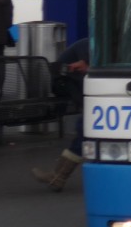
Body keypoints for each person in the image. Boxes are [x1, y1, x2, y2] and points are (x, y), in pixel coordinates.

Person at [31, 36, 89, 192]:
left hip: (74, 84)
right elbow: (83, 68)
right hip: (69, 83)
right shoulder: (88, 46)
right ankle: (58, 176)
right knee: (84, 127)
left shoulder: (89, 45)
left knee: (85, 128)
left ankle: (58, 177)